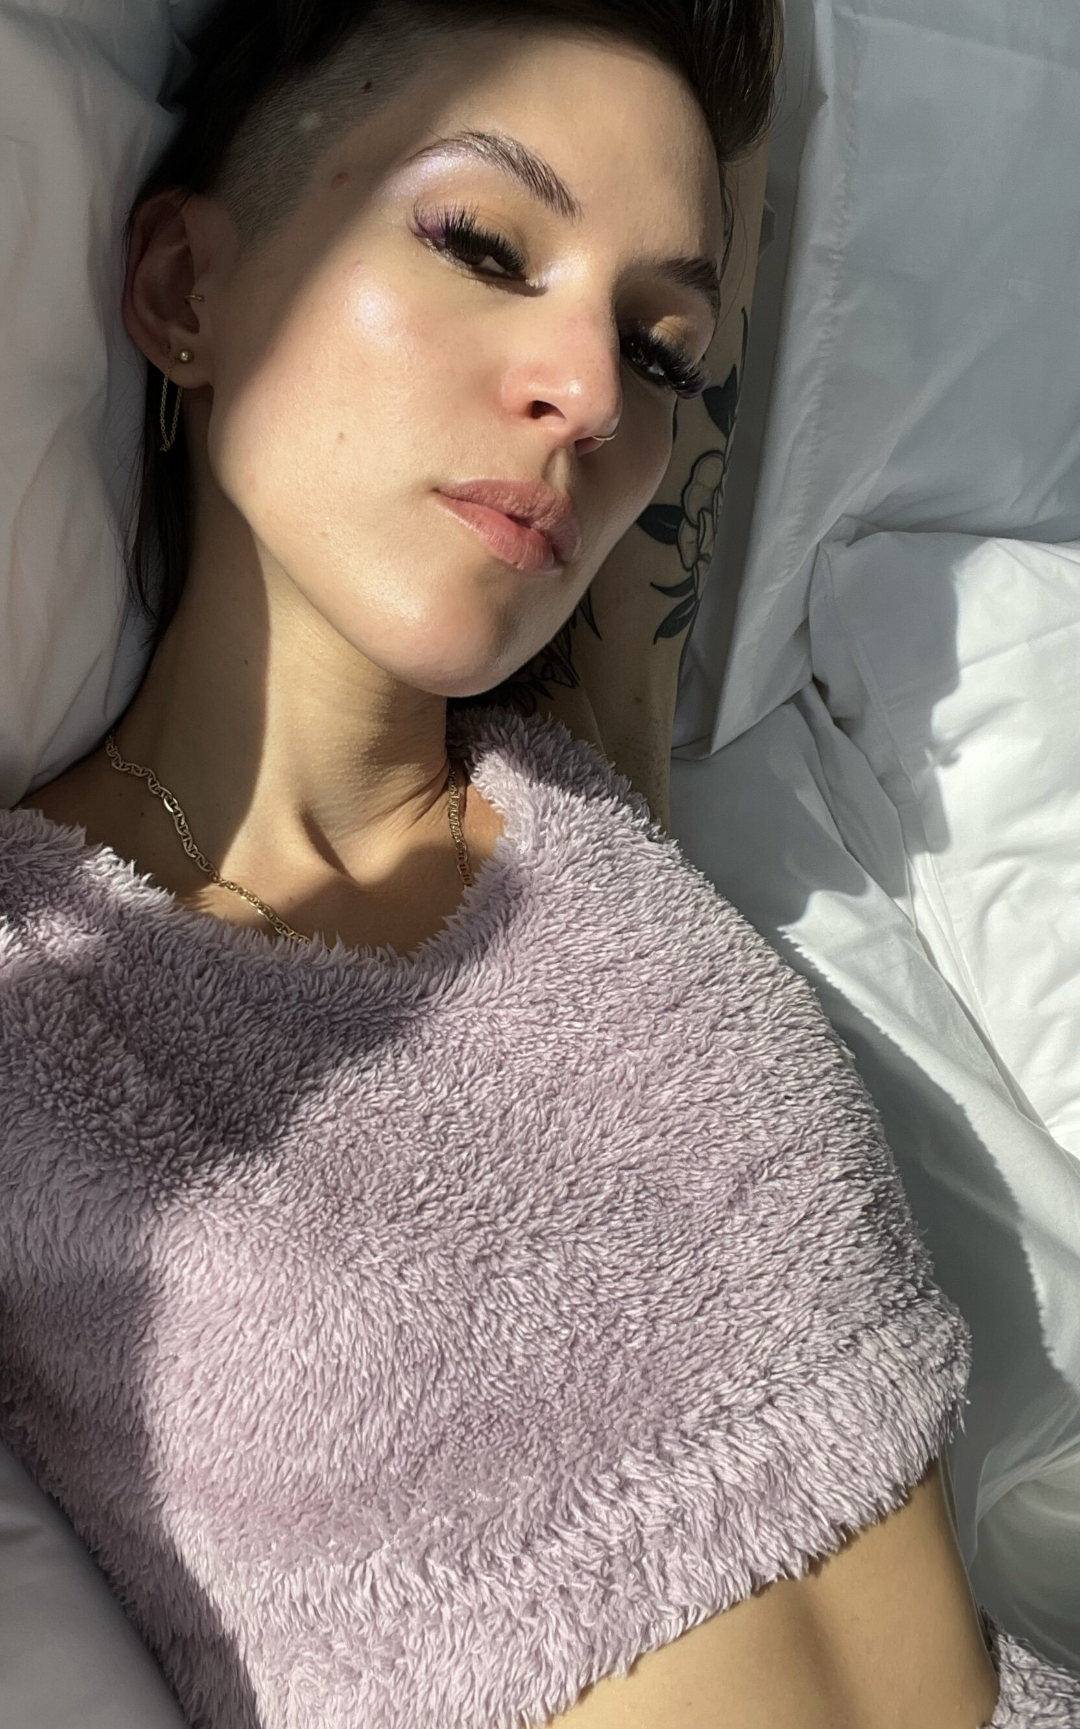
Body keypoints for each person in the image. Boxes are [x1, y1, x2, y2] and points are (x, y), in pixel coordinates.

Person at [0, 2, 1077, 1725]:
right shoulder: (35, 1000)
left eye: (655, 351)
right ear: (186, 286)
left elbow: (737, 144)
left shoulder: (583, 789)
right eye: (485, 246)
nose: (586, 395)